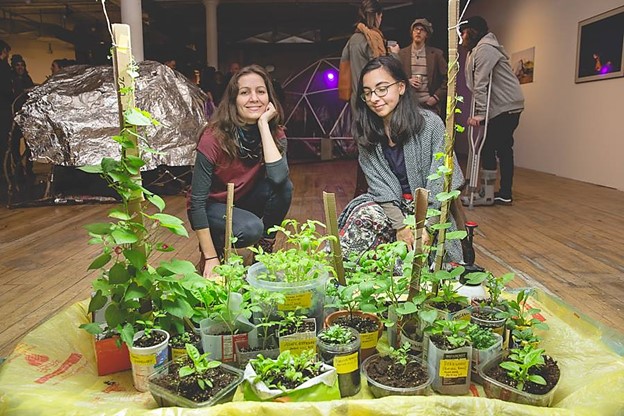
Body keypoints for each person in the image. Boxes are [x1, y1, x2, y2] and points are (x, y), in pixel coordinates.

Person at [337, 56, 464, 262]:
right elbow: (380, 188)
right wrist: (400, 226)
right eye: (367, 93)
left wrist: (426, 228)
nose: (374, 98)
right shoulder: (366, 133)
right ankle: (338, 274)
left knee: (428, 263)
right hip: (392, 210)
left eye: (382, 88)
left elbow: (443, 182)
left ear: (401, 87)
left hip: (429, 211)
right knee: (363, 215)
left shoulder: (430, 125)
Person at [187, 64, 293, 278]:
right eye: (245, 92)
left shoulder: (275, 134)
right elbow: (196, 202)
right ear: (234, 100)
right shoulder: (213, 137)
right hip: (213, 206)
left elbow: (279, 179)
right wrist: (210, 258)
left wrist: (264, 125)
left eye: (260, 91)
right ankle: (214, 247)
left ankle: (263, 251)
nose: (254, 98)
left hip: (244, 199)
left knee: (284, 188)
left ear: (269, 98)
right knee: (250, 229)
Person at [460, 16, 524, 206]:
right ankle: (504, 193)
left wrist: (480, 113)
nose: (461, 36)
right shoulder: (478, 49)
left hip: (506, 106)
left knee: (489, 146)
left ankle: (487, 194)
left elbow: (481, 84)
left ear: (472, 32)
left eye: (463, 32)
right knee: (504, 149)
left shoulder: (485, 49)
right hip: (508, 105)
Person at [340, 0, 399, 198]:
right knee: (380, 148)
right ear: (377, 16)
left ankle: (361, 192)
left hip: (358, 101)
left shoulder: (352, 41)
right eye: (381, 16)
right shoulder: (373, 38)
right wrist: (395, 56)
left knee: (365, 148)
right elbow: (382, 70)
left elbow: (345, 75)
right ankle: (377, 192)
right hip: (375, 101)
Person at [398, 18, 448, 116]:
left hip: (429, 106)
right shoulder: (401, 54)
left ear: (427, 35)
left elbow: (448, 79)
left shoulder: (436, 54)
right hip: (408, 105)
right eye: (416, 29)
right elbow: (393, 78)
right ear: (412, 32)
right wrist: (407, 81)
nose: (418, 32)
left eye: (422, 29)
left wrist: (436, 97)